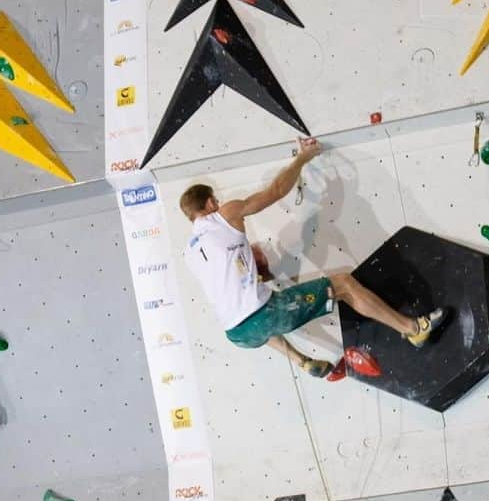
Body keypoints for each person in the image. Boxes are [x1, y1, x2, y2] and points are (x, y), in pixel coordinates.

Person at [181, 137, 446, 378]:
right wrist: (302, 159)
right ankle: (413, 329)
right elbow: (274, 191)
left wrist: (253, 269)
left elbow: (225, 280)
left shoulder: (190, 253)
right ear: (210, 203)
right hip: (262, 314)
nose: (219, 203)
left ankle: (302, 361)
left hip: (236, 334)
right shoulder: (224, 215)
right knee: (343, 284)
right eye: (216, 200)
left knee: (261, 326)